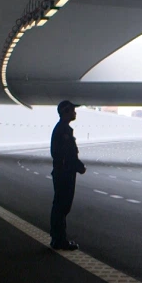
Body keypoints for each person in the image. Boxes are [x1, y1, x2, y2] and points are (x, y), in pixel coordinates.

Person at [50, 100, 86, 250]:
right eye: (72, 110)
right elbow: (65, 154)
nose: (74, 112)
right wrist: (78, 166)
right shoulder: (63, 131)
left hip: (63, 172)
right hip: (65, 174)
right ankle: (59, 240)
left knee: (60, 206)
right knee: (62, 207)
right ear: (65, 112)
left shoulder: (63, 129)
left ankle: (57, 238)